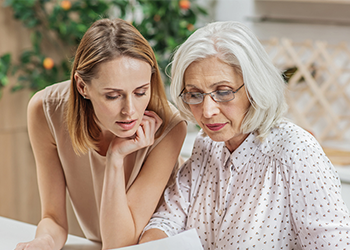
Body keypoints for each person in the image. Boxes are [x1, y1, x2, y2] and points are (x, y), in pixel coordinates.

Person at [139, 21, 350, 249]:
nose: (208, 111)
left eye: (223, 92)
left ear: (254, 88)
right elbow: (166, 221)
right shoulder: (205, 144)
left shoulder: (296, 152)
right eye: (195, 94)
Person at [16, 18, 187, 250]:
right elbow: (53, 219)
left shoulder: (169, 127)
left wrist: (116, 158)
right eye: (113, 96)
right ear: (82, 86)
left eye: (140, 92)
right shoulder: (46, 112)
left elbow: (120, 244)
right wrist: (43, 242)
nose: (130, 111)